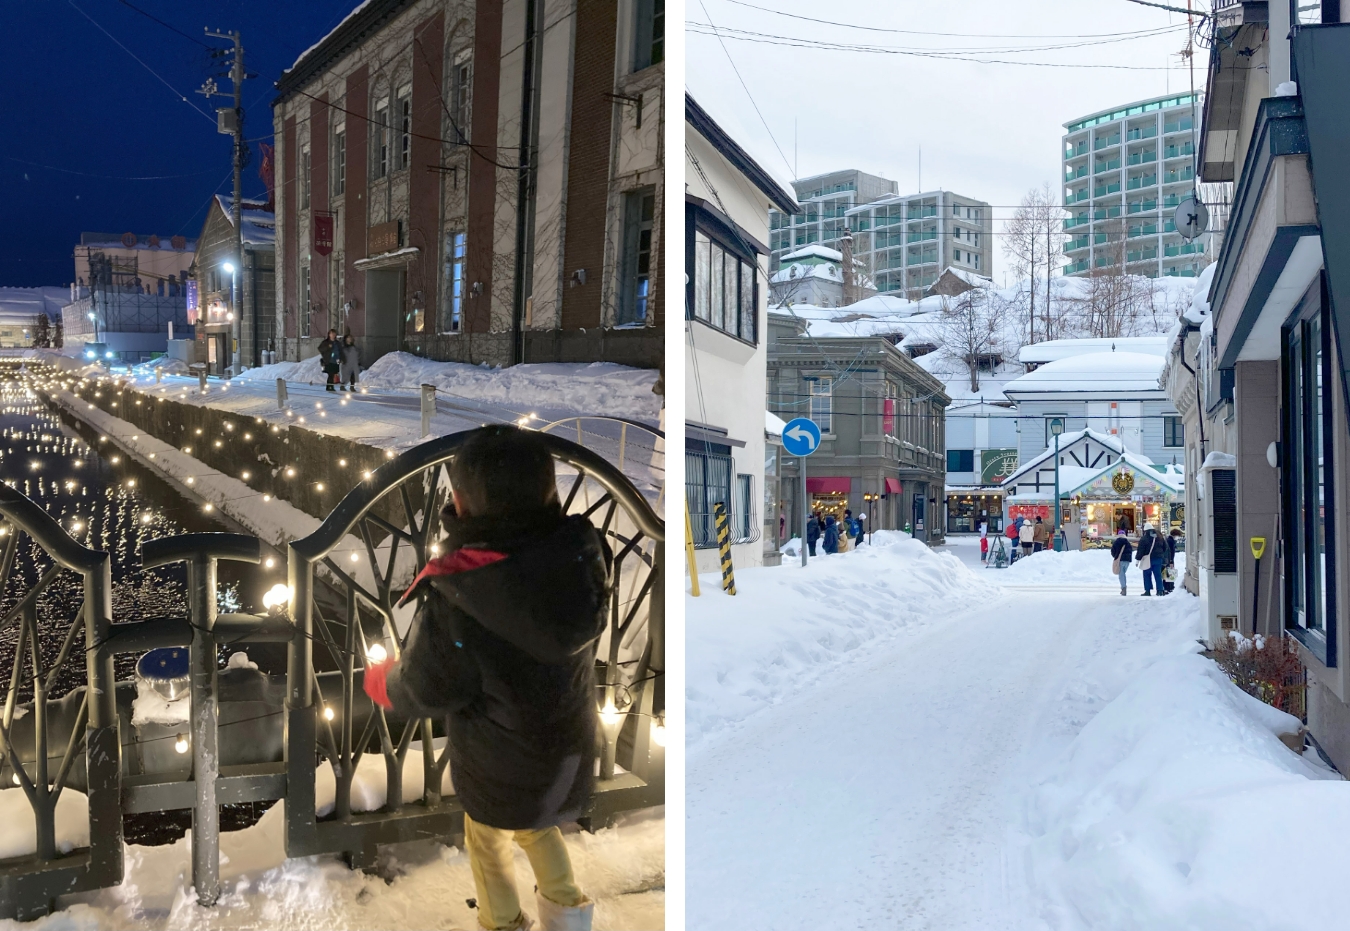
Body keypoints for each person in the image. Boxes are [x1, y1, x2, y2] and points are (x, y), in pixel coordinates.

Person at [362, 426, 605, 931]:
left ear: (459, 501)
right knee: (537, 829)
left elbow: (431, 686)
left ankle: (501, 922)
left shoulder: (465, 589)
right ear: (549, 491)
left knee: (487, 839)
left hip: (500, 762)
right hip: (569, 748)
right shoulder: (577, 556)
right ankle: (570, 919)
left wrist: (385, 683)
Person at [1135, 521, 1167, 596]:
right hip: (1158, 559)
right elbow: (1165, 547)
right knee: (1158, 575)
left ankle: (1148, 591)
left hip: (1147, 560)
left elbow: (1141, 550)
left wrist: (1137, 560)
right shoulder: (1160, 537)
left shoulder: (1144, 538)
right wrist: (1161, 554)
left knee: (1147, 575)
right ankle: (1160, 590)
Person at [1110, 527, 1133, 595]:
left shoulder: (1117, 542)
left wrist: (1116, 556)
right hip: (1127, 561)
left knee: (1121, 574)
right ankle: (1123, 587)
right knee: (1123, 573)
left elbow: (1112, 551)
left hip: (1120, 560)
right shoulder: (1127, 542)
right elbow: (1130, 551)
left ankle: (1123, 588)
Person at [1165, 528, 1182, 593]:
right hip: (1170, 559)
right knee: (1170, 572)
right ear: (1175, 535)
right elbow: (1171, 551)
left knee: (1169, 572)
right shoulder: (1170, 541)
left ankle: (1168, 587)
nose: (1178, 537)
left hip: (1168, 559)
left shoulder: (1169, 540)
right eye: (1178, 536)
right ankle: (1169, 587)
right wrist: (1171, 561)